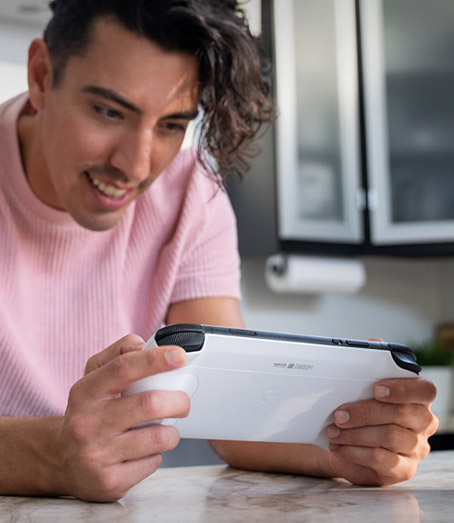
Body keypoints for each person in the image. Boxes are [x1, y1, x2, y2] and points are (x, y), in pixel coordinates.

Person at [0, 0, 438, 502]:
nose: (137, 165)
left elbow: (229, 407)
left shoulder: (192, 192)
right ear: (40, 75)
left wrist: (337, 445)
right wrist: (51, 455)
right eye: (108, 111)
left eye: (170, 125)